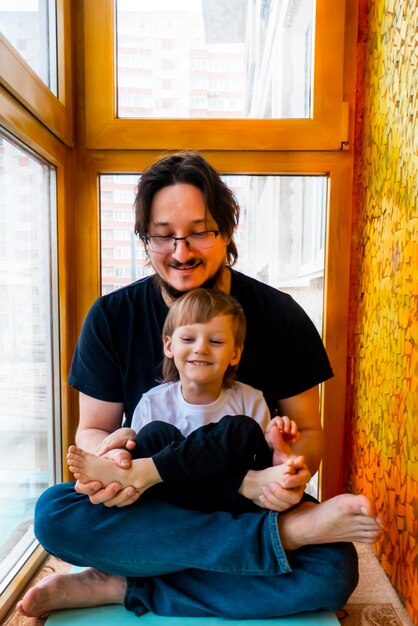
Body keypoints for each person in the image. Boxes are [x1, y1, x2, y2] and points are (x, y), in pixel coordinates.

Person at [17, 151, 382, 620]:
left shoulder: (280, 315)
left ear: (226, 232)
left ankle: (125, 583)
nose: (181, 251)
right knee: (54, 514)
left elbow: (309, 433)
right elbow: (93, 430)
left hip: (247, 499)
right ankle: (280, 541)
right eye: (163, 236)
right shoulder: (110, 318)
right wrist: (113, 457)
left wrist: (291, 471)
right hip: (153, 501)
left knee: (332, 571)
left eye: (199, 232)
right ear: (145, 239)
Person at [66, 288, 308, 513]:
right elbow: (138, 459)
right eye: (189, 339)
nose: (201, 349)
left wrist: (277, 448)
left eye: (215, 341)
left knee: (242, 428)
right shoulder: (153, 402)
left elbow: (259, 462)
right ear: (169, 346)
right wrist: (125, 439)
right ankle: (240, 486)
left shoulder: (250, 398)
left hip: (230, 505)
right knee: (154, 433)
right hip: (173, 501)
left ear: (235, 353)